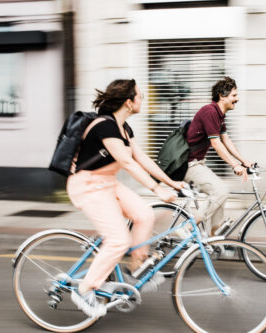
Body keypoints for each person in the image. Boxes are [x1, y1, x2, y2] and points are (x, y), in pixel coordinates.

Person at [67, 79, 185, 318]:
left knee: (144, 214)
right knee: (119, 239)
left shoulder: (124, 129)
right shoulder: (104, 126)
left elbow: (142, 159)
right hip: (87, 186)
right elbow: (126, 162)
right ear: (129, 102)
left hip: (108, 183)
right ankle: (84, 289)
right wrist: (156, 189)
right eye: (140, 96)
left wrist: (171, 183)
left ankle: (137, 268)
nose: (143, 99)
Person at [184, 76, 253, 235]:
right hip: (188, 164)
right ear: (222, 96)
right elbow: (216, 143)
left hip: (197, 163)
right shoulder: (210, 111)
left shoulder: (219, 114)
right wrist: (234, 165)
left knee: (219, 195)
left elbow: (226, 140)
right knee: (221, 191)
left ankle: (215, 238)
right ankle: (189, 228)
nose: (237, 99)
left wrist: (244, 161)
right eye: (234, 95)